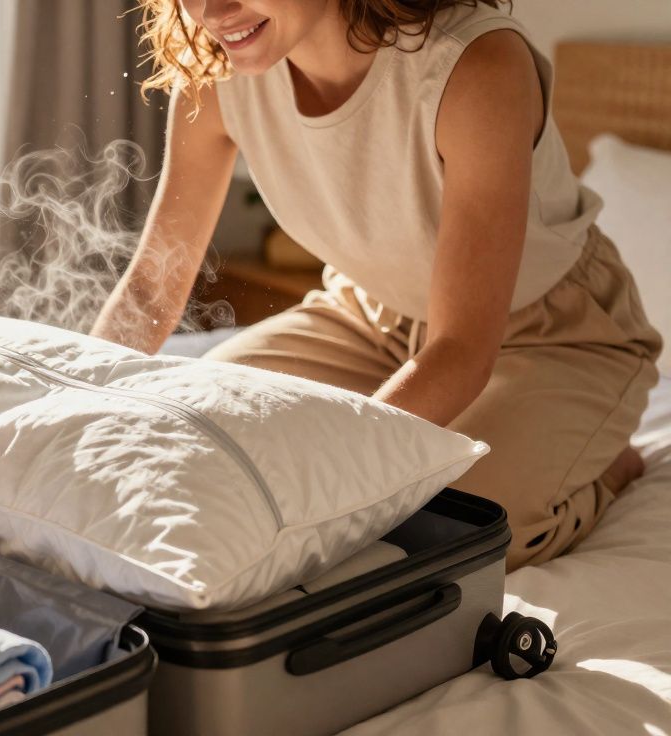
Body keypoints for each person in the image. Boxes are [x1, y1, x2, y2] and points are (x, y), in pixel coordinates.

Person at [90, 0, 662, 569]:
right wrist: (76, 399)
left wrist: (343, 474)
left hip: (552, 335)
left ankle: (606, 467)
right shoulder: (216, 71)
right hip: (369, 317)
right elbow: (150, 289)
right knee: (200, 435)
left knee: (448, 525)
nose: (213, 10)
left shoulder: (476, 67)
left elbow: (461, 347)